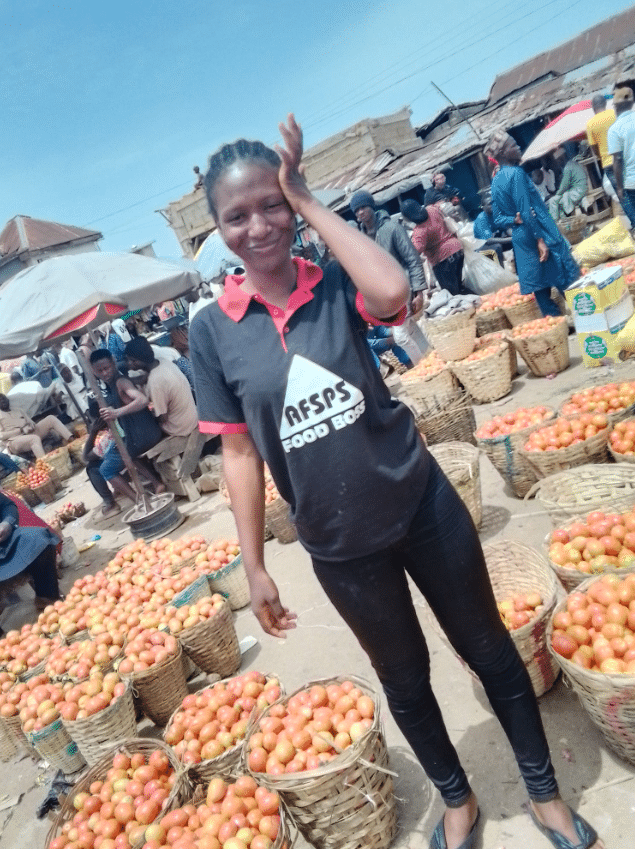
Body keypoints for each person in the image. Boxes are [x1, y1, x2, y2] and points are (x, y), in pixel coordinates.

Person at [189, 115, 602, 849]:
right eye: (236, 215)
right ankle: (457, 800)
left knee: (487, 647)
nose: (257, 226)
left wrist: (310, 199)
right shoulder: (211, 331)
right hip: (340, 546)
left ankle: (542, 792)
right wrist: (252, 564)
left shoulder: (330, 281)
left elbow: (389, 293)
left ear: (290, 202)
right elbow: (241, 455)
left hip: (419, 503)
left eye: (270, 204)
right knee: (405, 680)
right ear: (216, 229)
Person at [487, 130, 581, 318]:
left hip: (521, 238)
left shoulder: (496, 181)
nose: (519, 147)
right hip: (540, 233)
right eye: (514, 145)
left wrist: (513, 220)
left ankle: (556, 327)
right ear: (504, 153)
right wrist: (540, 240)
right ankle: (589, 320)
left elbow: (498, 218)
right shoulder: (516, 174)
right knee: (570, 280)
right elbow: (527, 212)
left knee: (541, 289)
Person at [349, 190, 428, 364]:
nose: (360, 212)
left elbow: (412, 259)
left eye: (363, 207)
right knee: (410, 329)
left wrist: (420, 291)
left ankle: (425, 368)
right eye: (356, 210)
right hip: (384, 296)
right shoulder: (360, 240)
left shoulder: (392, 228)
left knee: (400, 337)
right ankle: (431, 358)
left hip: (403, 288)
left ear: (371, 206)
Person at [88, 350, 164, 503]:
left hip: (144, 435)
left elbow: (142, 400)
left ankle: (140, 502)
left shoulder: (121, 382)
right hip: (138, 436)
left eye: (107, 368)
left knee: (106, 469)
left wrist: (117, 412)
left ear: (113, 364)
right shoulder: (112, 384)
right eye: (100, 370)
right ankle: (156, 483)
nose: (105, 373)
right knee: (119, 450)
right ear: (94, 372)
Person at [0, 491, 62, 612]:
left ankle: (46, 599)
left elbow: (7, 506)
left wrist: (7, 523)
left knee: (39, 538)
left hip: (5, 544)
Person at [124, 337, 198, 437]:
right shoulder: (162, 362)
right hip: (191, 416)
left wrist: (149, 413)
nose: (129, 364)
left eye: (132, 360)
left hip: (180, 427)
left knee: (145, 429)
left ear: (141, 359)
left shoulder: (155, 383)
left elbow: (162, 417)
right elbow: (146, 377)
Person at [400, 200, 467, 296]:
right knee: (460, 288)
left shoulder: (419, 231)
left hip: (444, 259)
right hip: (457, 250)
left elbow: (415, 251)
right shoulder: (432, 209)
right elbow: (441, 206)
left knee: (452, 294)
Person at [0, 394, 73, 459]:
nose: (3, 401)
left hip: (29, 433)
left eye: (4, 399)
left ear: (8, 400)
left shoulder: (18, 410)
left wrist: (31, 426)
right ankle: (45, 465)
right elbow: (1, 436)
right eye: (0, 400)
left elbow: (31, 422)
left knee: (50, 418)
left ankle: (71, 440)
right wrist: (21, 430)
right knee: (34, 438)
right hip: (14, 441)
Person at [82, 401, 120, 518]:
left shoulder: (109, 437)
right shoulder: (119, 419)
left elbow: (86, 456)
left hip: (125, 459)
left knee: (92, 467)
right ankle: (118, 490)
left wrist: (93, 432)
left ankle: (110, 503)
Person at [607, 86, 635, 232]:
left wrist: (619, 187)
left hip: (632, 181)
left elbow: (617, 160)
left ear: (616, 107)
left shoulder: (615, 129)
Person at [547, 146, 588, 221]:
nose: (557, 163)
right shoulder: (571, 164)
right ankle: (558, 220)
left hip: (578, 191)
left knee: (555, 200)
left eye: (558, 161)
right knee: (554, 200)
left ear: (561, 158)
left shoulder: (568, 168)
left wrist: (557, 194)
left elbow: (564, 186)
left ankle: (558, 221)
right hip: (578, 190)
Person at [472, 196, 513, 264]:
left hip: (493, 241)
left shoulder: (495, 215)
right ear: (483, 206)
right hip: (481, 246)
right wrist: (510, 239)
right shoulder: (481, 219)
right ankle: (500, 271)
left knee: (516, 241)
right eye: (489, 204)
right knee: (497, 247)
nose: (492, 205)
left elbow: (506, 228)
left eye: (493, 203)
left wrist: (514, 236)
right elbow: (489, 240)